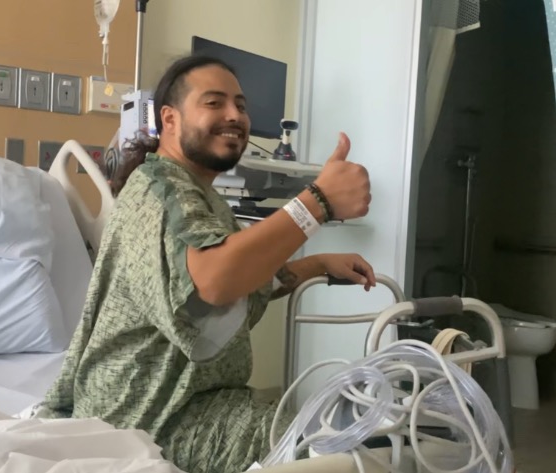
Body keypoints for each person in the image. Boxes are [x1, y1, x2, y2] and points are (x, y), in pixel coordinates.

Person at [39, 54, 374, 473]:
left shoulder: (196, 193)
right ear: (170, 119)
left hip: (193, 400)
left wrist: (319, 264)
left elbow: (242, 279)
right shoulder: (161, 191)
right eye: (214, 102)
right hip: (145, 417)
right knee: (334, 453)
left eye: (241, 105)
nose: (235, 115)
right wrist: (316, 203)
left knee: (335, 434)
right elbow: (212, 282)